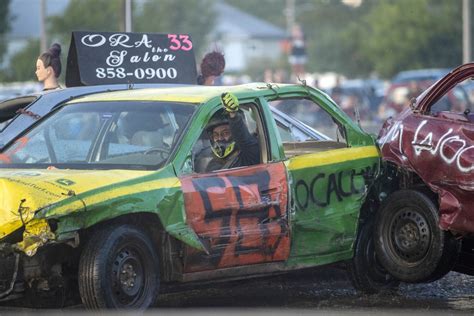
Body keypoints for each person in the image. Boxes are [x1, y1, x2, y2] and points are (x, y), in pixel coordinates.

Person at [205, 92, 260, 172]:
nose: (220, 138)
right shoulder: (212, 165)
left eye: (225, 133)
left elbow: (243, 139)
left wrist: (233, 115)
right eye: (216, 135)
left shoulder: (249, 153)